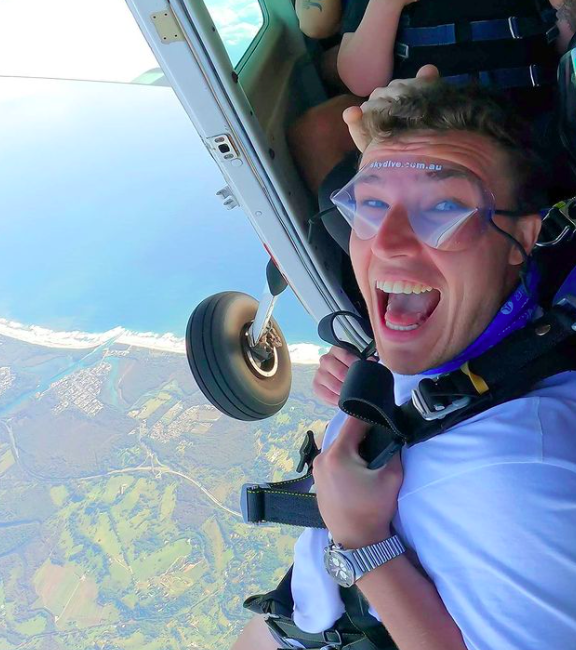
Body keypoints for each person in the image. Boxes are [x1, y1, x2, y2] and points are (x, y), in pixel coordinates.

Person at [232, 79, 576, 649]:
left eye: (444, 207)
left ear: (522, 239)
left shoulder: (512, 478)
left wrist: (365, 543)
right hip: (308, 619)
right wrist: (388, 390)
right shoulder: (488, 329)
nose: (386, 242)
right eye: (371, 202)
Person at [289, 0, 573, 196]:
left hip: (531, 123)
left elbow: (565, 49)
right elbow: (361, 79)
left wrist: (563, 9)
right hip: (428, 133)